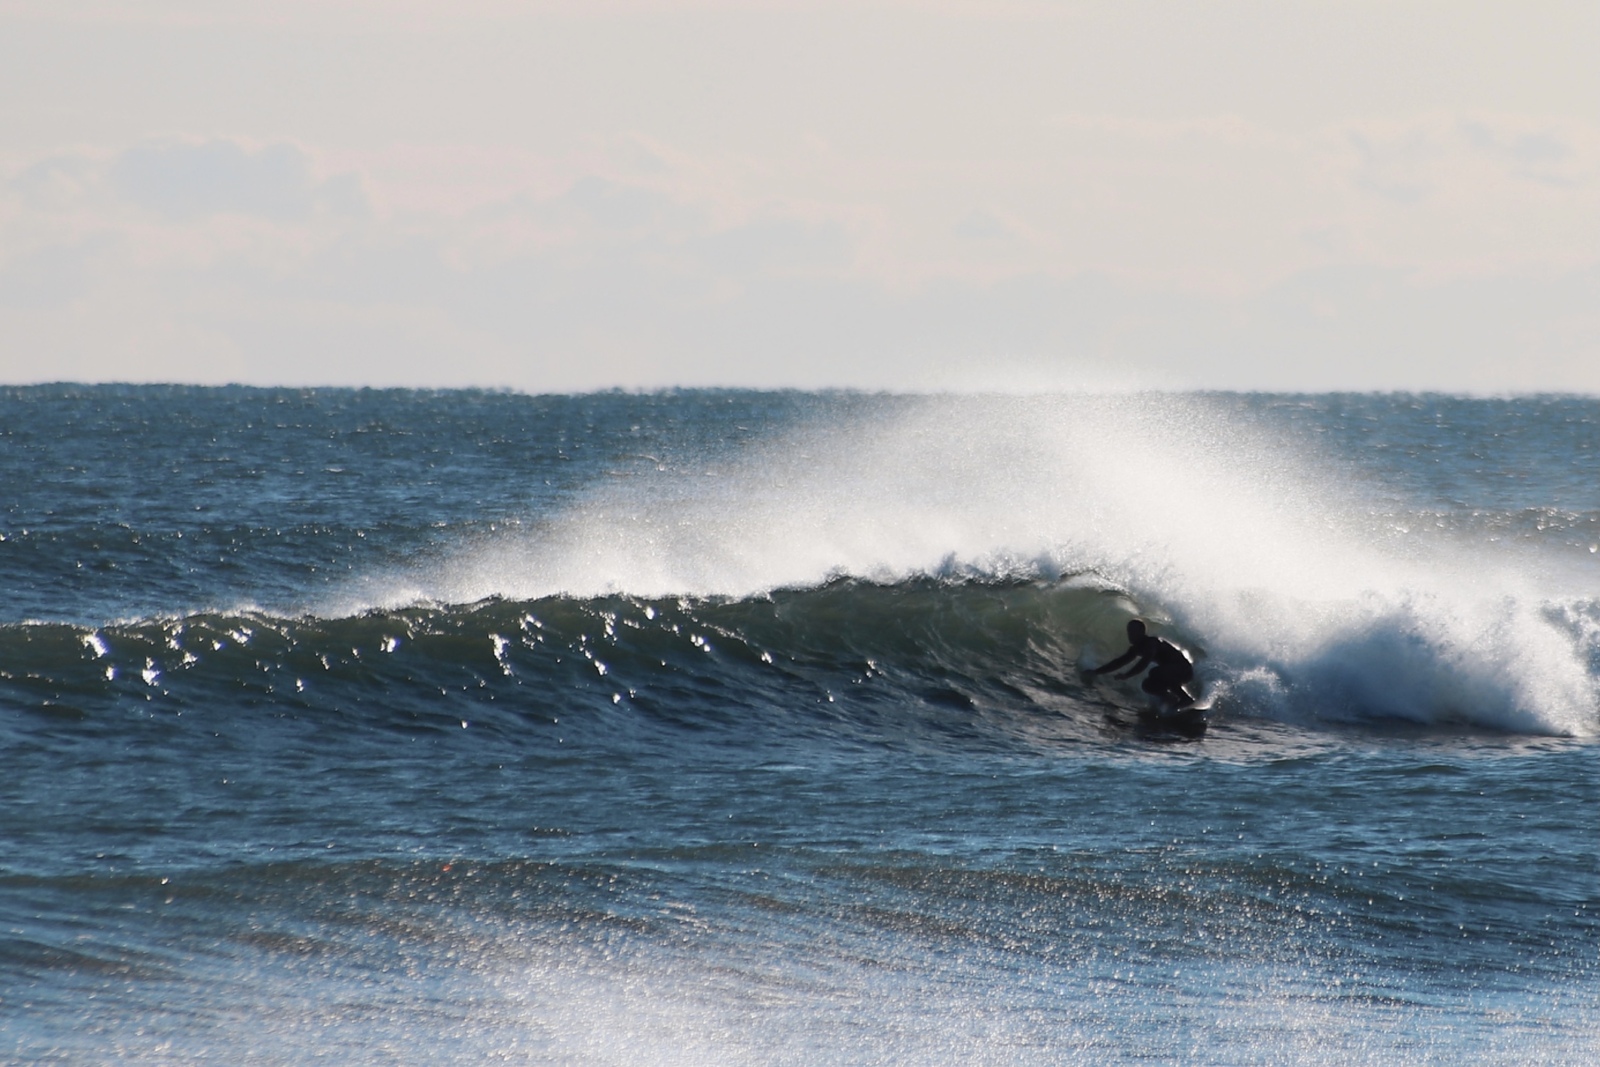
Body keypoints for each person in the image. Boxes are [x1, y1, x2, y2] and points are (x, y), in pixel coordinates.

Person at [1083, 619, 1196, 709]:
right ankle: (1171, 700)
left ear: (1142, 632)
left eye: (1133, 632)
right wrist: (1096, 672)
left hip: (1184, 670)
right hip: (1170, 673)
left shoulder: (1152, 643)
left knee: (1155, 672)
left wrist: (1127, 675)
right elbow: (1119, 662)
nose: (1130, 635)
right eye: (1129, 632)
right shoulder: (1136, 648)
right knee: (1147, 685)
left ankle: (1185, 699)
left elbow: (1144, 662)